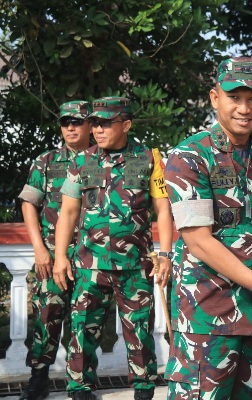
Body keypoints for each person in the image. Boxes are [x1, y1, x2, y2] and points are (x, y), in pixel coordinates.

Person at [163, 56, 252, 400]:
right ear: (214, 98)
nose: (244, 108)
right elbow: (199, 243)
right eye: (234, 97)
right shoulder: (189, 156)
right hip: (208, 318)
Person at [53, 97, 173, 400]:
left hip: (135, 264)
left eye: (106, 122)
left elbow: (163, 208)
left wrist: (167, 255)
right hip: (89, 265)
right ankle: (79, 390)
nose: (97, 129)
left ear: (126, 125)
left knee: (140, 331)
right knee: (81, 331)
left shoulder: (149, 159)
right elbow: (67, 212)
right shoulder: (81, 161)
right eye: (94, 123)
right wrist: (59, 258)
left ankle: (144, 389)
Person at [17, 101, 93, 400]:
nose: (70, 128)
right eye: (65, 122)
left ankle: (81, 384)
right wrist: (40, 250)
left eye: (77, 121)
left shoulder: (101, 162)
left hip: (89, 256)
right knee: (46, 318)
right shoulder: (46, 161)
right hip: (51, 254)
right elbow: (28, 203)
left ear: (90, 125)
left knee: (86, 322)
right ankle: (38, 381)